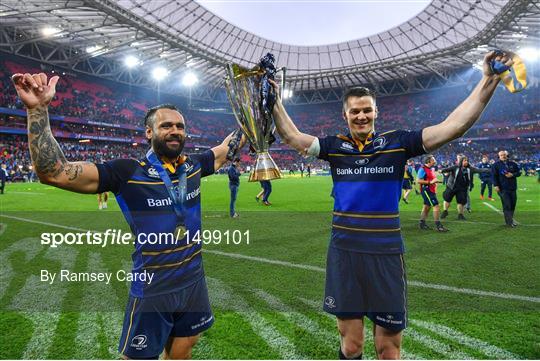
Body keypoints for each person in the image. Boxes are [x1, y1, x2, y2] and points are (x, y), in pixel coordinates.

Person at [268, 50, 511, 359]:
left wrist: (487, 80)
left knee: (389, 349)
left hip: (385, 254)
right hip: (344, 252)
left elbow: (454, 126)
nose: (361, 116)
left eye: (366, 110)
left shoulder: (398, 143)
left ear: (375, 112)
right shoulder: (333, 147)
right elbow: (291, 136)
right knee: (351, 344)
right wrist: (274, 99)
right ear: (345, 115)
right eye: (355, 111)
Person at [11, 72, 243, 359]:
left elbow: (226, 148)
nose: (175, 131)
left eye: (180, 127)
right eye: (166, 125)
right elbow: (54, 172)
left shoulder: (194, 165)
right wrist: (37, 109)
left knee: (186, 343)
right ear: (149, 132)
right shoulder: (127, 171)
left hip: (194, 279)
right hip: (155, 286)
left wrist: (257, 113)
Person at [440, 155, 489, 220]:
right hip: (451, 187)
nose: (466, 162)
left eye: (467, 161)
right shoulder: (455, 167)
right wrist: (442, 171)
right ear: (461, 161)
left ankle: (460, 215)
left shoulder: (470, 169)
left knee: (461, 202)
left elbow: (479, 170)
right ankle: (445, 211)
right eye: (465, 160)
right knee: (447, 199)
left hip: (462, 188)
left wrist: (490, 170)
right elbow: (446, 170)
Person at [417, 155, 448, 232]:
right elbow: (418, 180)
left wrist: (436, 181)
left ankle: (422, 223)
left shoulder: (429, 169)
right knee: (436, 206)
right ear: (429, 161)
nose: (435, 160)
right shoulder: (423, 169)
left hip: (430, 190)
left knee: (426, 207)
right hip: (426, 190)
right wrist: (430, 182)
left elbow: (431, 179)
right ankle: (439, 226)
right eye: (433, 159)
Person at [492, 150, 521, 227]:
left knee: (512, 205)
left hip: (512, 187)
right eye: (501, 155)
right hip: (502, 188)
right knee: (507, 205)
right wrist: (496, 185)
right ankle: (509, 222)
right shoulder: (496, 165)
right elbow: (494, 176)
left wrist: (512, 174)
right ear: (499, 156)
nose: (503, 156)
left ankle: (510, 220)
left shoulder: (513, 164)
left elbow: (519, 173)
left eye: (504, 155)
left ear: (507, 155)